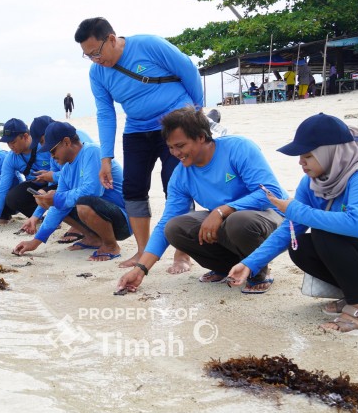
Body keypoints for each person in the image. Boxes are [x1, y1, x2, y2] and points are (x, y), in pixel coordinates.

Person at [228, 114, 358, 335]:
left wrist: (294, 209)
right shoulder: (313, 183)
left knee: (326, 232)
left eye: (308, 156)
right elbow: (290, 229)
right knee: (300, 246)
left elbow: (356, 225)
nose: (301, 162)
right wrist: (250, 263)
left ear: (332, 152)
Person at [75, 16, 202, 274]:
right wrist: (106, 158)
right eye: (88, 56)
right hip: (137, 128)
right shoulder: (97, 73)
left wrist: (197, 114)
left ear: (111, 39)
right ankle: (143, 250)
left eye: (96, 52)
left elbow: (188, 70)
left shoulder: (149, 45)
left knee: (175, 185)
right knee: (133, 189)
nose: (95, 60)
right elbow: (105, 113)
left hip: (174, 123)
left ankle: (182, 253)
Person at [116, 107, 286, 294]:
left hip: (271, 216)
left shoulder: (238, 147)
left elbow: (270, 193)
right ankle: (227, 267)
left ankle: (258, 272)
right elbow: (166, 222)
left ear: (201, 137)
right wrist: (141, 269)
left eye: (180, 145)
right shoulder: (181, 175)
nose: (175, 153)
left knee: (238, 220)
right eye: (170, 147)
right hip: (227, 222)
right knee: (174, 227)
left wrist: (222, 210)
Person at [14, 122, 130, 259]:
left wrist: (57, 198)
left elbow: (93, 190)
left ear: (66, 142)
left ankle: (111, 246)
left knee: (82, 202)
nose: (51, 156)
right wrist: (35, 242)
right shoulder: (66, 170)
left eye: (53, 151)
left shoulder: (92, 152)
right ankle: (93, 238)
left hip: (124, 219)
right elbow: (57, 208)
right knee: (60, 204)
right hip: (104, 217)